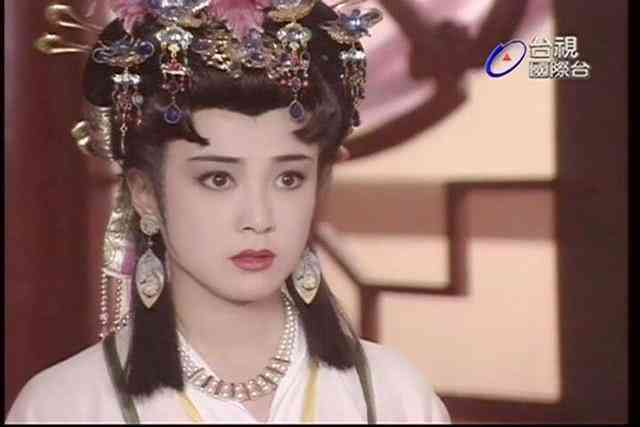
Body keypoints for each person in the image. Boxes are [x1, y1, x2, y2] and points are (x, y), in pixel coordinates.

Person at [7, 0, 450, 423]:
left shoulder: (394, 398)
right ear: (145, 194)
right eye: (218, 179)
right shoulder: (64, 408)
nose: (258, 218)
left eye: (289, 178)